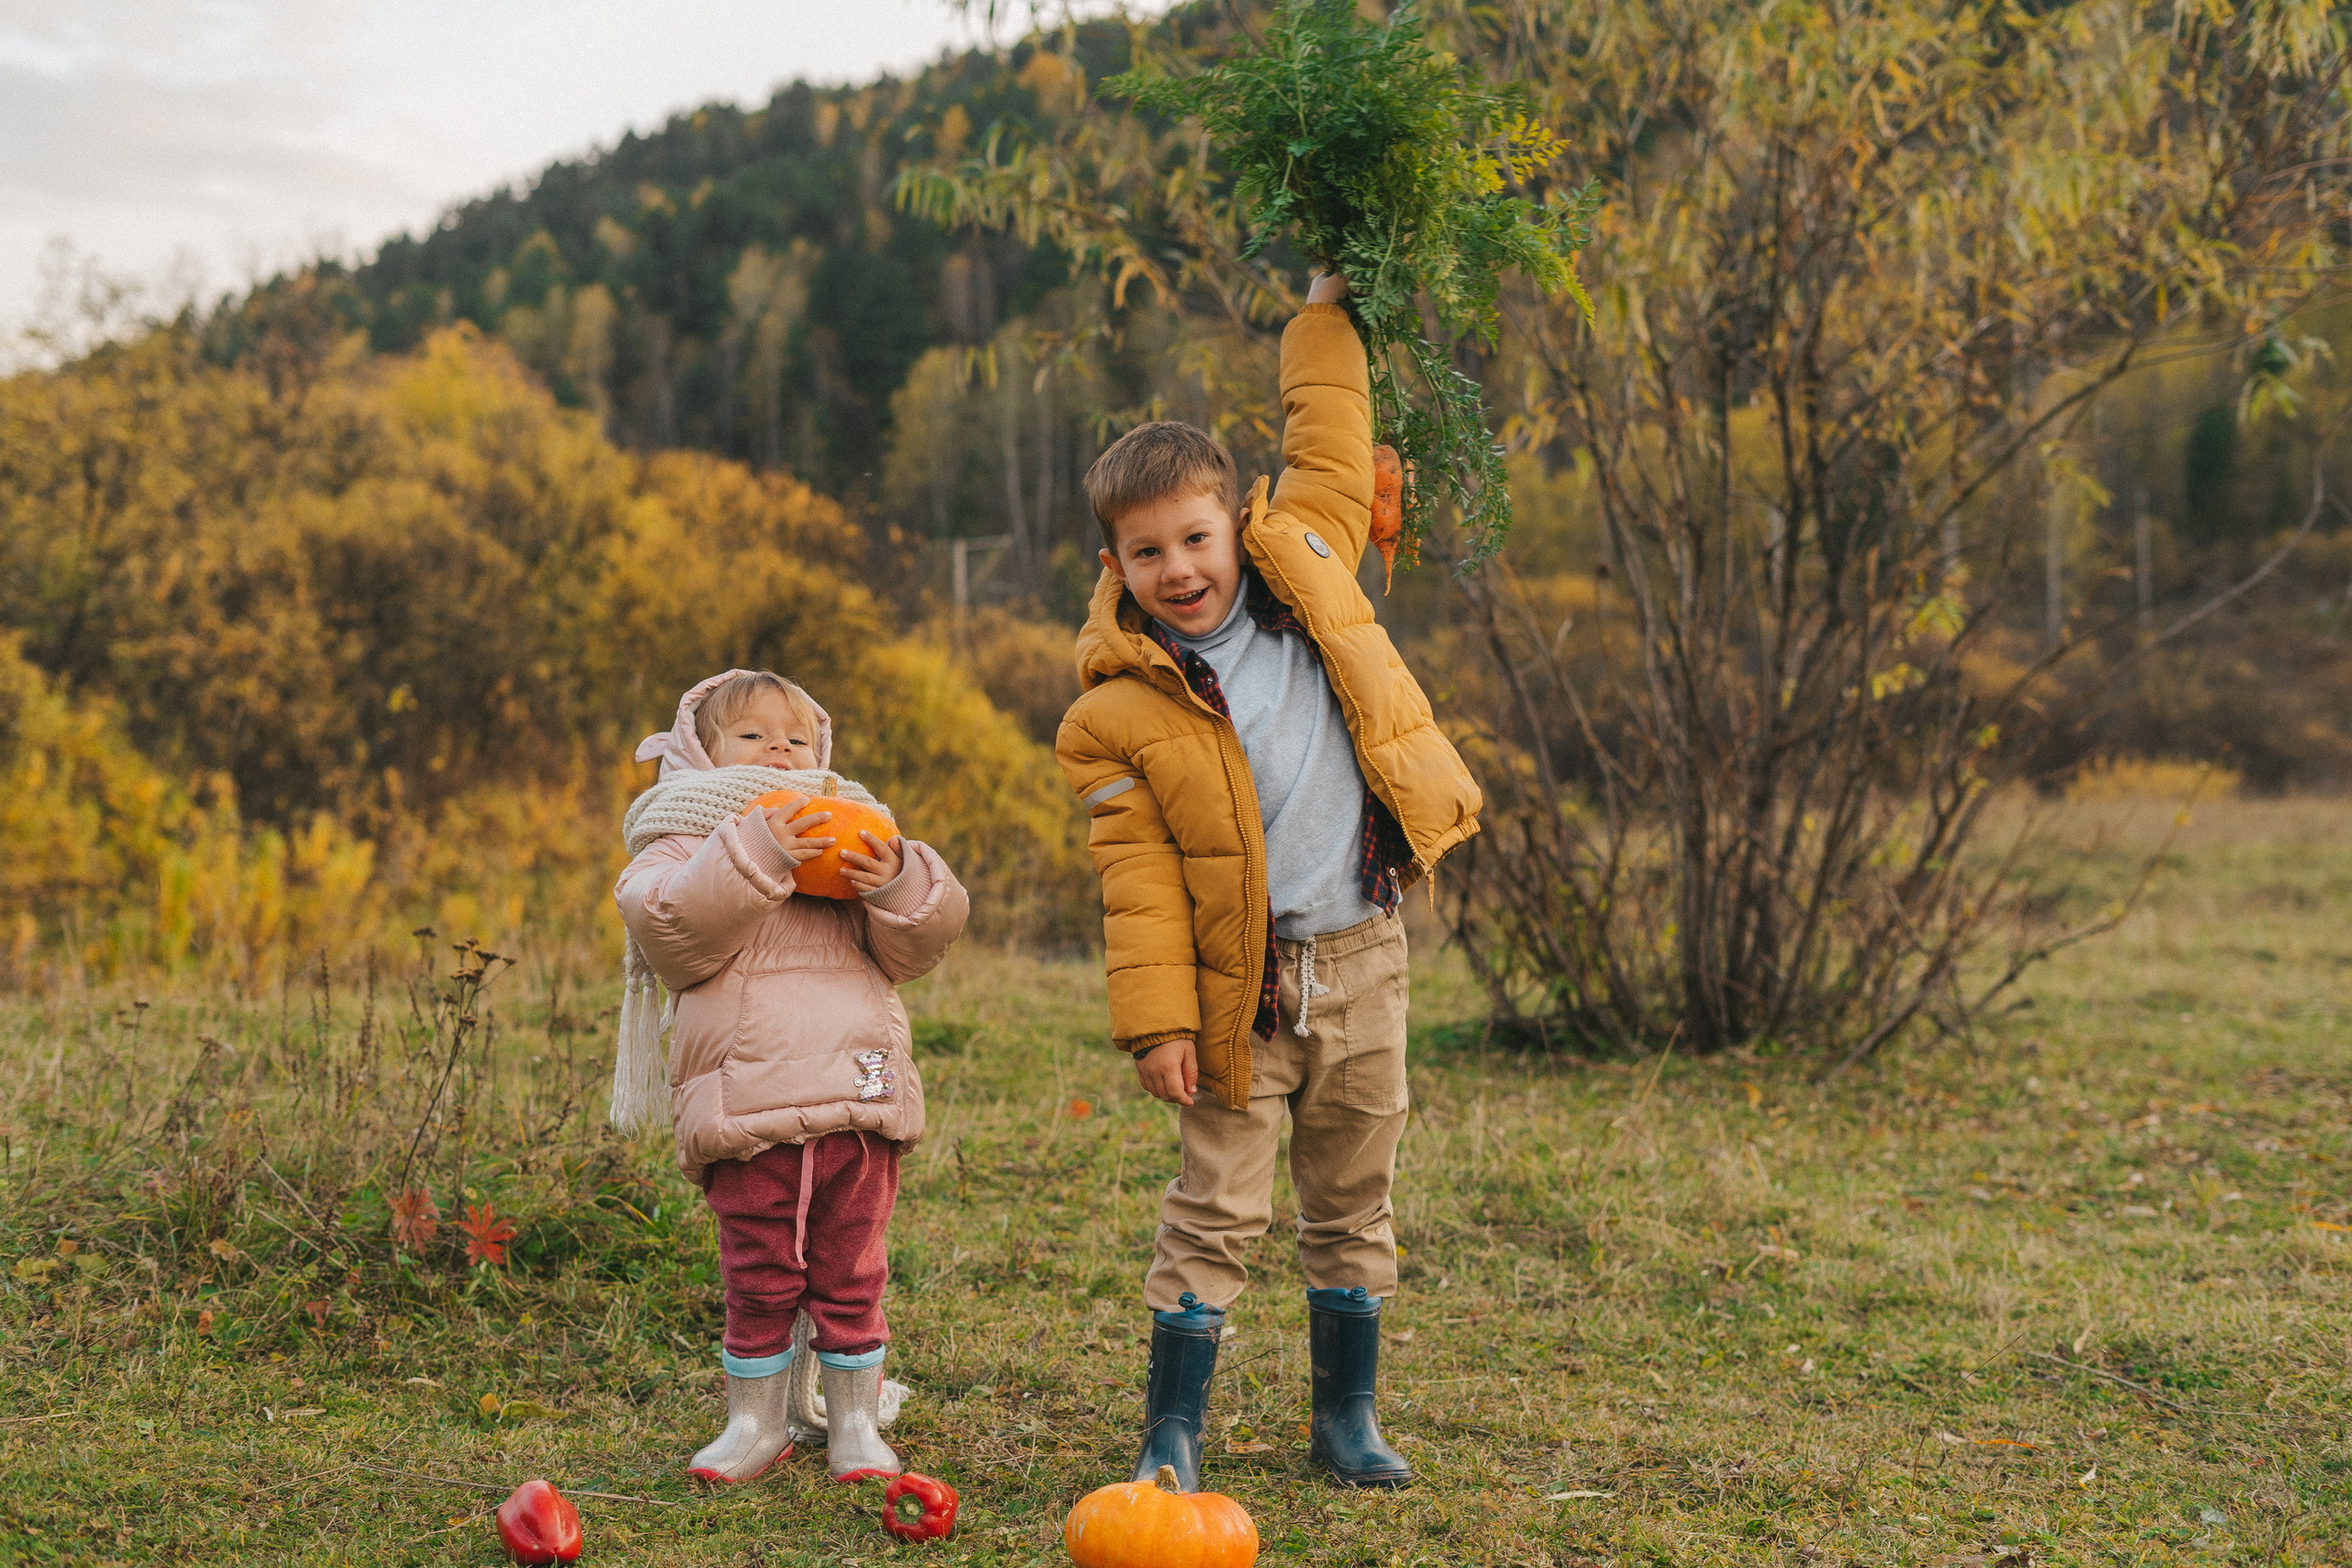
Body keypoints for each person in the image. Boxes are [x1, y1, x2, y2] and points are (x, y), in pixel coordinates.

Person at [1056, 272, 1482, 1491]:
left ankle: (1346, 1418)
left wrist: (1323, 312)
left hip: (1364, 955)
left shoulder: (1306, 563)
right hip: (1235, 992)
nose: (1179, 568)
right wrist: (1158, 1023)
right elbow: (1136, 880)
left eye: (1195, 538)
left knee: (1354, 1191)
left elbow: (1332, 438)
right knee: (1217, 1206)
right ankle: (1172, 1430)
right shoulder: (1112, 714)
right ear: (1115, 562)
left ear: (1234, 525)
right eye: (1148, 552)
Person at [613, 669, 967, 1485]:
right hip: (750, 1101)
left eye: (798, 737)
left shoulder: (858, 829)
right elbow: (672, 929)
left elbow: (919, 946)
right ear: (701, 753)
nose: (779, 749)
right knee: (759, 1269)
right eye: (752, 735)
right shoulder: (683, 838)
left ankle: (853, 1424)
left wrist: (900, 880)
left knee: (854, 1266)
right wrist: (758, 850)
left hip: (860, 1089)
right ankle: (755, 1423)